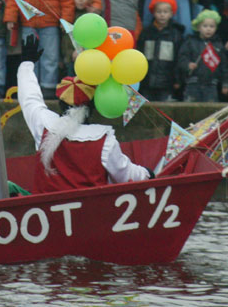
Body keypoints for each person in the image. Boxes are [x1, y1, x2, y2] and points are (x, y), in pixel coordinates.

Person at [17, 36, 151, 193]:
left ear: (60, 103)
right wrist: (147, 173)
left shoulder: (44, 125)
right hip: (90, 213)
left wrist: (26, 64)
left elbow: (29, 97)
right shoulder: (104, 140)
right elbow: (125, 174)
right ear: (93, 105)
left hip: (45, 213)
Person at [137, 0, 184, 101]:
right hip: (146, 81)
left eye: (165, 12)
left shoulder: (176, 34)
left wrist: (177, 79)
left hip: (167, 82)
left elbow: (178, 58)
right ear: (153, 13)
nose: (162, 15)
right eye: (159, 12)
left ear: (171, 13)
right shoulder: (146, 33)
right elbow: (140, 54)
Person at [178, 9, 228, 102]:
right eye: (205, 26)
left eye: (212, 26)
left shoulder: (218, 45)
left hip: (211, 85)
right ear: (198, 27)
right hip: (192, 83)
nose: (208, 29)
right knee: (190, 111)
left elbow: (224, 66)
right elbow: (182, 58)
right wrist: (187, 65)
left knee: (210, 112)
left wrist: (226, 83)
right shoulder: (190, 42)